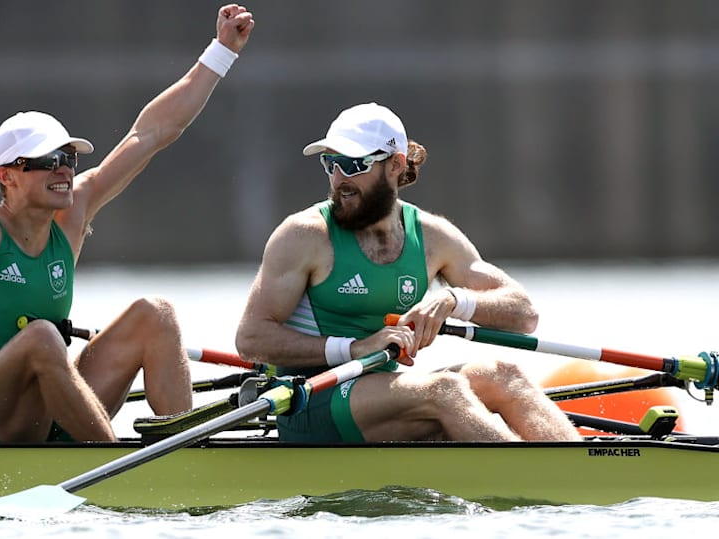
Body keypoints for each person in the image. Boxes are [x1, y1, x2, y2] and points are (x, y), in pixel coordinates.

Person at [0, 5, 255, 443]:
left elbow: (151, 133)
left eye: (69, 159)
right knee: (43, 336)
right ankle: (115, 460)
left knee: (155, 315)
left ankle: (186, 458)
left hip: (47, 408)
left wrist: (222, 52)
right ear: (7, 176)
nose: (64, 170)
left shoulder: (72, 215)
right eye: (48, 162)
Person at [235, 102, 580, 443]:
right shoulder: (304, 235)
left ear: (396, 166)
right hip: (309, 401)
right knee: (445, 390)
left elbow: (524, 315)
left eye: (353, 165)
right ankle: (536, 483)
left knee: (505, 375)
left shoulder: (432, 237)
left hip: (378, 395)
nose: (339, 180)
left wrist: (454, 301)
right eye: (331, 164)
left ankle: (581, 475)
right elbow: (251, 340)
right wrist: (354, 348)